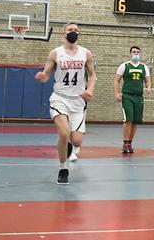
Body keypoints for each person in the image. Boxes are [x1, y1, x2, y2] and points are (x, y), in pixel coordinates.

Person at [34, 22, 96, 185]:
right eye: (70, 30)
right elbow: (47, 74)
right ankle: (63, 169)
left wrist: (89, 89)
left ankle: (69, 147)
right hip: (60, 98)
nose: (73, 32)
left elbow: (93, 75)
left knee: (76, 141)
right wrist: (42, 77)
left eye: (76, 30)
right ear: (64, 33)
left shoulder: (86, 53)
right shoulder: (56, 53)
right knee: (63, 133)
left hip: (77, 102)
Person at [114, 46, 151, 155]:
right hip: (127, 96)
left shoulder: (144, 67)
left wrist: (148, 87)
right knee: (128, 119)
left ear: (140, 54)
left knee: (135, 121)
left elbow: (148, 80)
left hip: (139, 97)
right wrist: (116, 93)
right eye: (134, 52)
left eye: (138, 52)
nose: (136, 54)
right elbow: (116, 80)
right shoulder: (124, 66)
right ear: (130, 54)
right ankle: (125, 143)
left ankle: (130, 142)